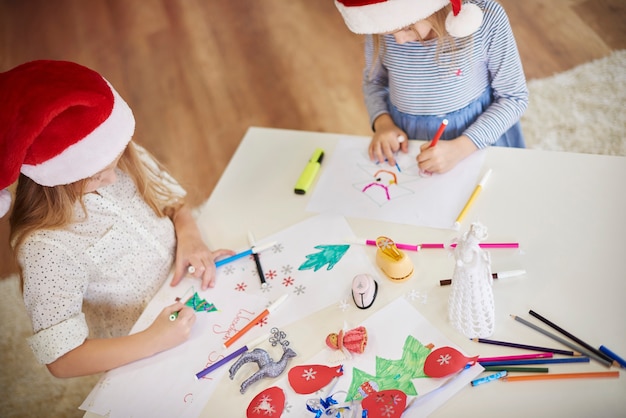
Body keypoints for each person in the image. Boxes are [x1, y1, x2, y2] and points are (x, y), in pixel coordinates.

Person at [0, 60, 234, 378]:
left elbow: (173, 202)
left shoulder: (119, 155)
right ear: (57, 175)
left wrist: (189, 234)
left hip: (190, 299)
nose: (113, 178)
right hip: (140, 349)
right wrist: (153, 341)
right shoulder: (45, 248)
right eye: (98, 176)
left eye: (115, 162)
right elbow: (61, 359)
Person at [334, 0, 528, 173]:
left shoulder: (485, 20)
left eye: (408, 28)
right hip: (410, 141)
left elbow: (514, 98)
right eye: (388, 33)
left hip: (478, 139)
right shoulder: (380, 20)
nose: (399, 40)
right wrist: (383, 124)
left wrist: (461, 148)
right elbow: (374, 82)